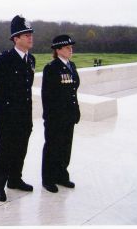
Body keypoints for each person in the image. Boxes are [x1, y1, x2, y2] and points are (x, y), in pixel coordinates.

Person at [0, 15, 35, 202]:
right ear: (16, 38)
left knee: (21, 148)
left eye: (31, 33)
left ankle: (15, 179)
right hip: (7, 117)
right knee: (6, 150)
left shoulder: (31, 60)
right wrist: (3, 108)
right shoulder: (5, 59)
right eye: (26, 34)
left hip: (24, 116)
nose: (30, 37)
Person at [41, 34, 80, 193]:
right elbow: (47, 96)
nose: (71, 50)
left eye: (71, 47)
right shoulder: (51, 68)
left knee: (65, 147)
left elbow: (73, 91)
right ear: (58, 50)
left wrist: (76, 110)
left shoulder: (72, 66)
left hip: (69, 115)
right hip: (56, 117)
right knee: (52, 147)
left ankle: (61, 175)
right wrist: (50, 117)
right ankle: (48, 179)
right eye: (67, 47)